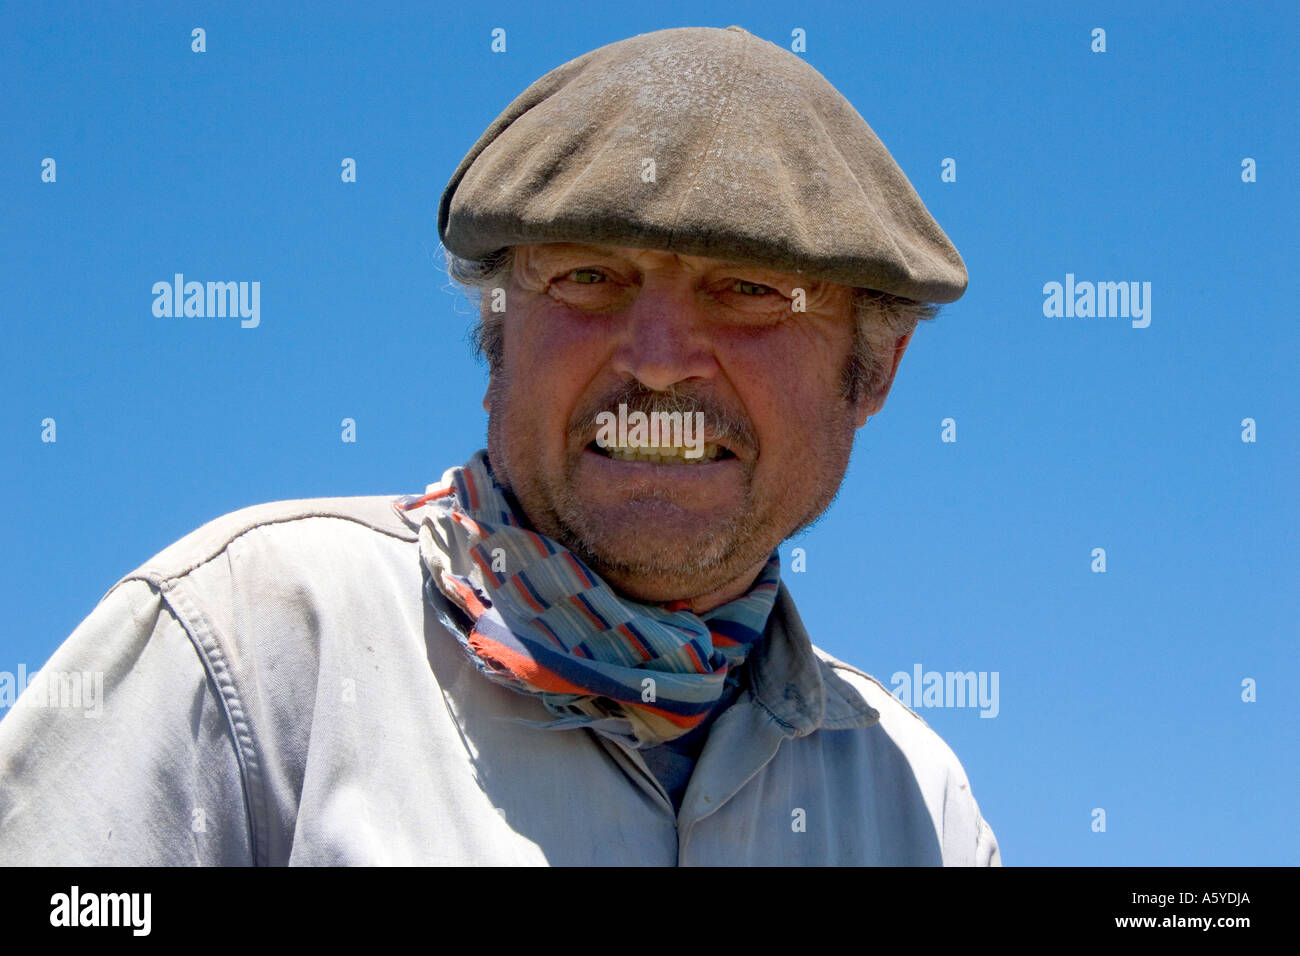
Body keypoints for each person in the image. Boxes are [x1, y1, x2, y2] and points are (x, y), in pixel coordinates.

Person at [0, 25, 1000, 865]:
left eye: (745, 292)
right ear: (498, 336)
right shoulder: (254, 647)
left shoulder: (920, 805)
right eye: (585, 277)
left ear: (873, 371)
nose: (655, 362)